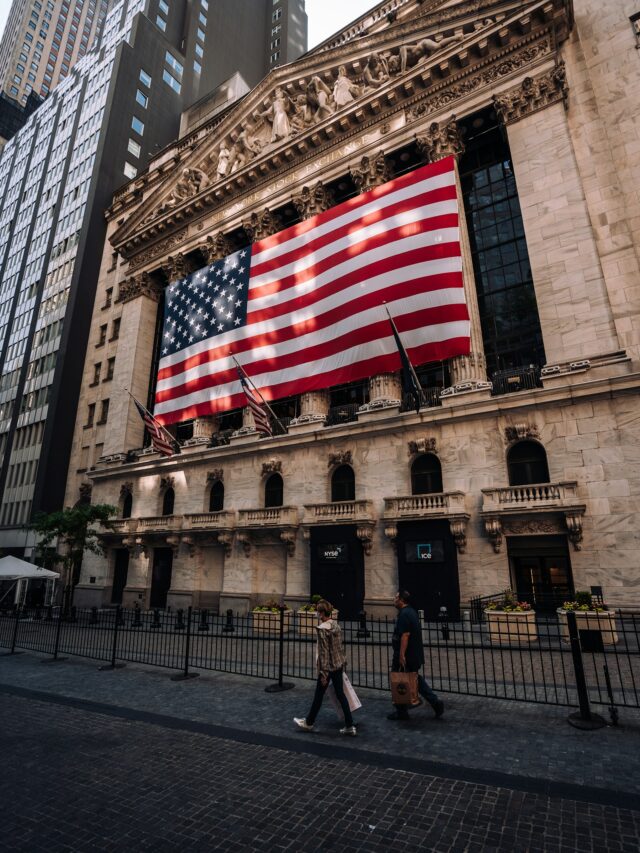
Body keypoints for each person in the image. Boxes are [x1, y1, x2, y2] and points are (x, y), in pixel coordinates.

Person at [294, 599, 356, 736]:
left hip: (327, 668)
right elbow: (339, 648)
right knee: (340, 695)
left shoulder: (322, 629)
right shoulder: (336, 626)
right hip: (338, 665)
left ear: (321, 613)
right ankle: (350, 725)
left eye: (317, 611)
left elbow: (323, 653)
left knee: (318, 696)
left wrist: (323, 673)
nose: (316, 613)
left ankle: (309, 723)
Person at [388, 589, 444, 721]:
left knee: (399, 680)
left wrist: (401, 655)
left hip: (406, 655)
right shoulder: (411, 611)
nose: (394, 600)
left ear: (401, 600)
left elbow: (405, 635)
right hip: (414, 654)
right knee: (415, 679)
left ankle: (401, 711)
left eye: (396, 597)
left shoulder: (404, 614)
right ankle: (435, 703)